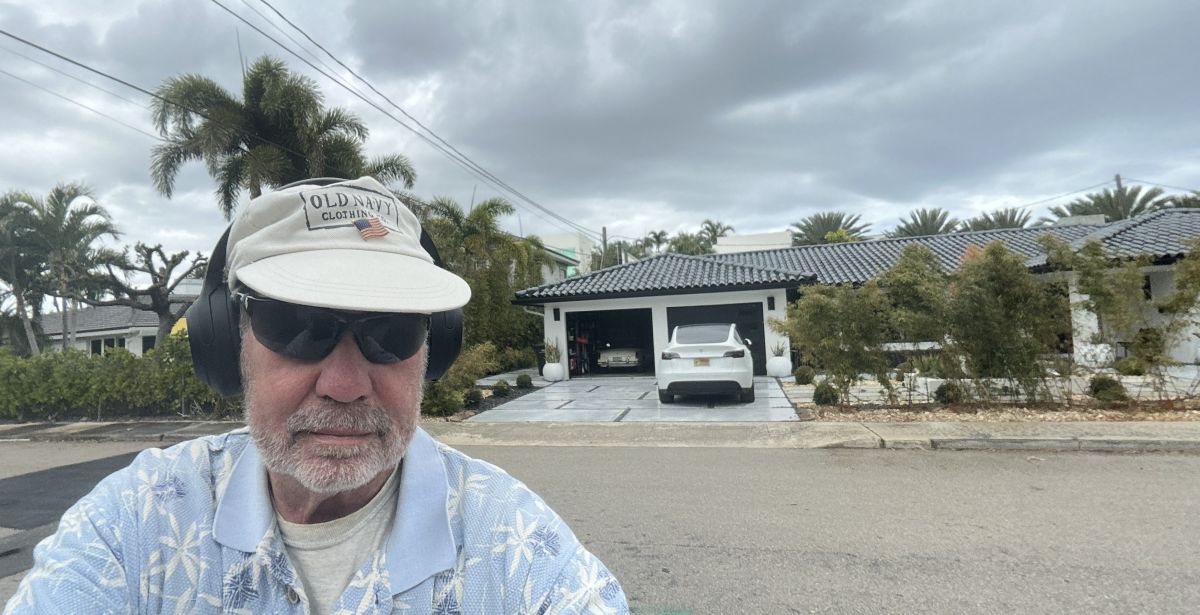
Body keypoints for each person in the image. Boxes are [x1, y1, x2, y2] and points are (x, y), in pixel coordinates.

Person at [4, 177, 629, 614]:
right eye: (298, 326)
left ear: (431, 349)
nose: (345, 385)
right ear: (228, 342)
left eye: (392, 332)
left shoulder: (515, 545)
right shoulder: (135, 521)